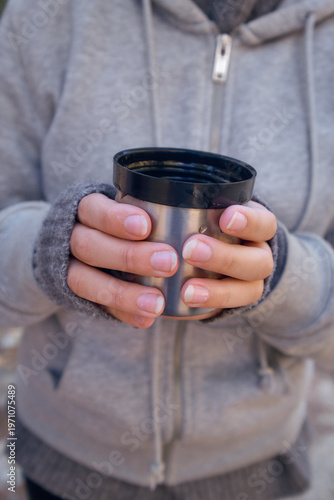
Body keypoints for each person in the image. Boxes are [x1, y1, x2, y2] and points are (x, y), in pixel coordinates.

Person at [0, 0, 334, 499]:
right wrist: (46, 250)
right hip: (63, 454)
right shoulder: (48, 13)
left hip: (254, 467)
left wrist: (284, 274)